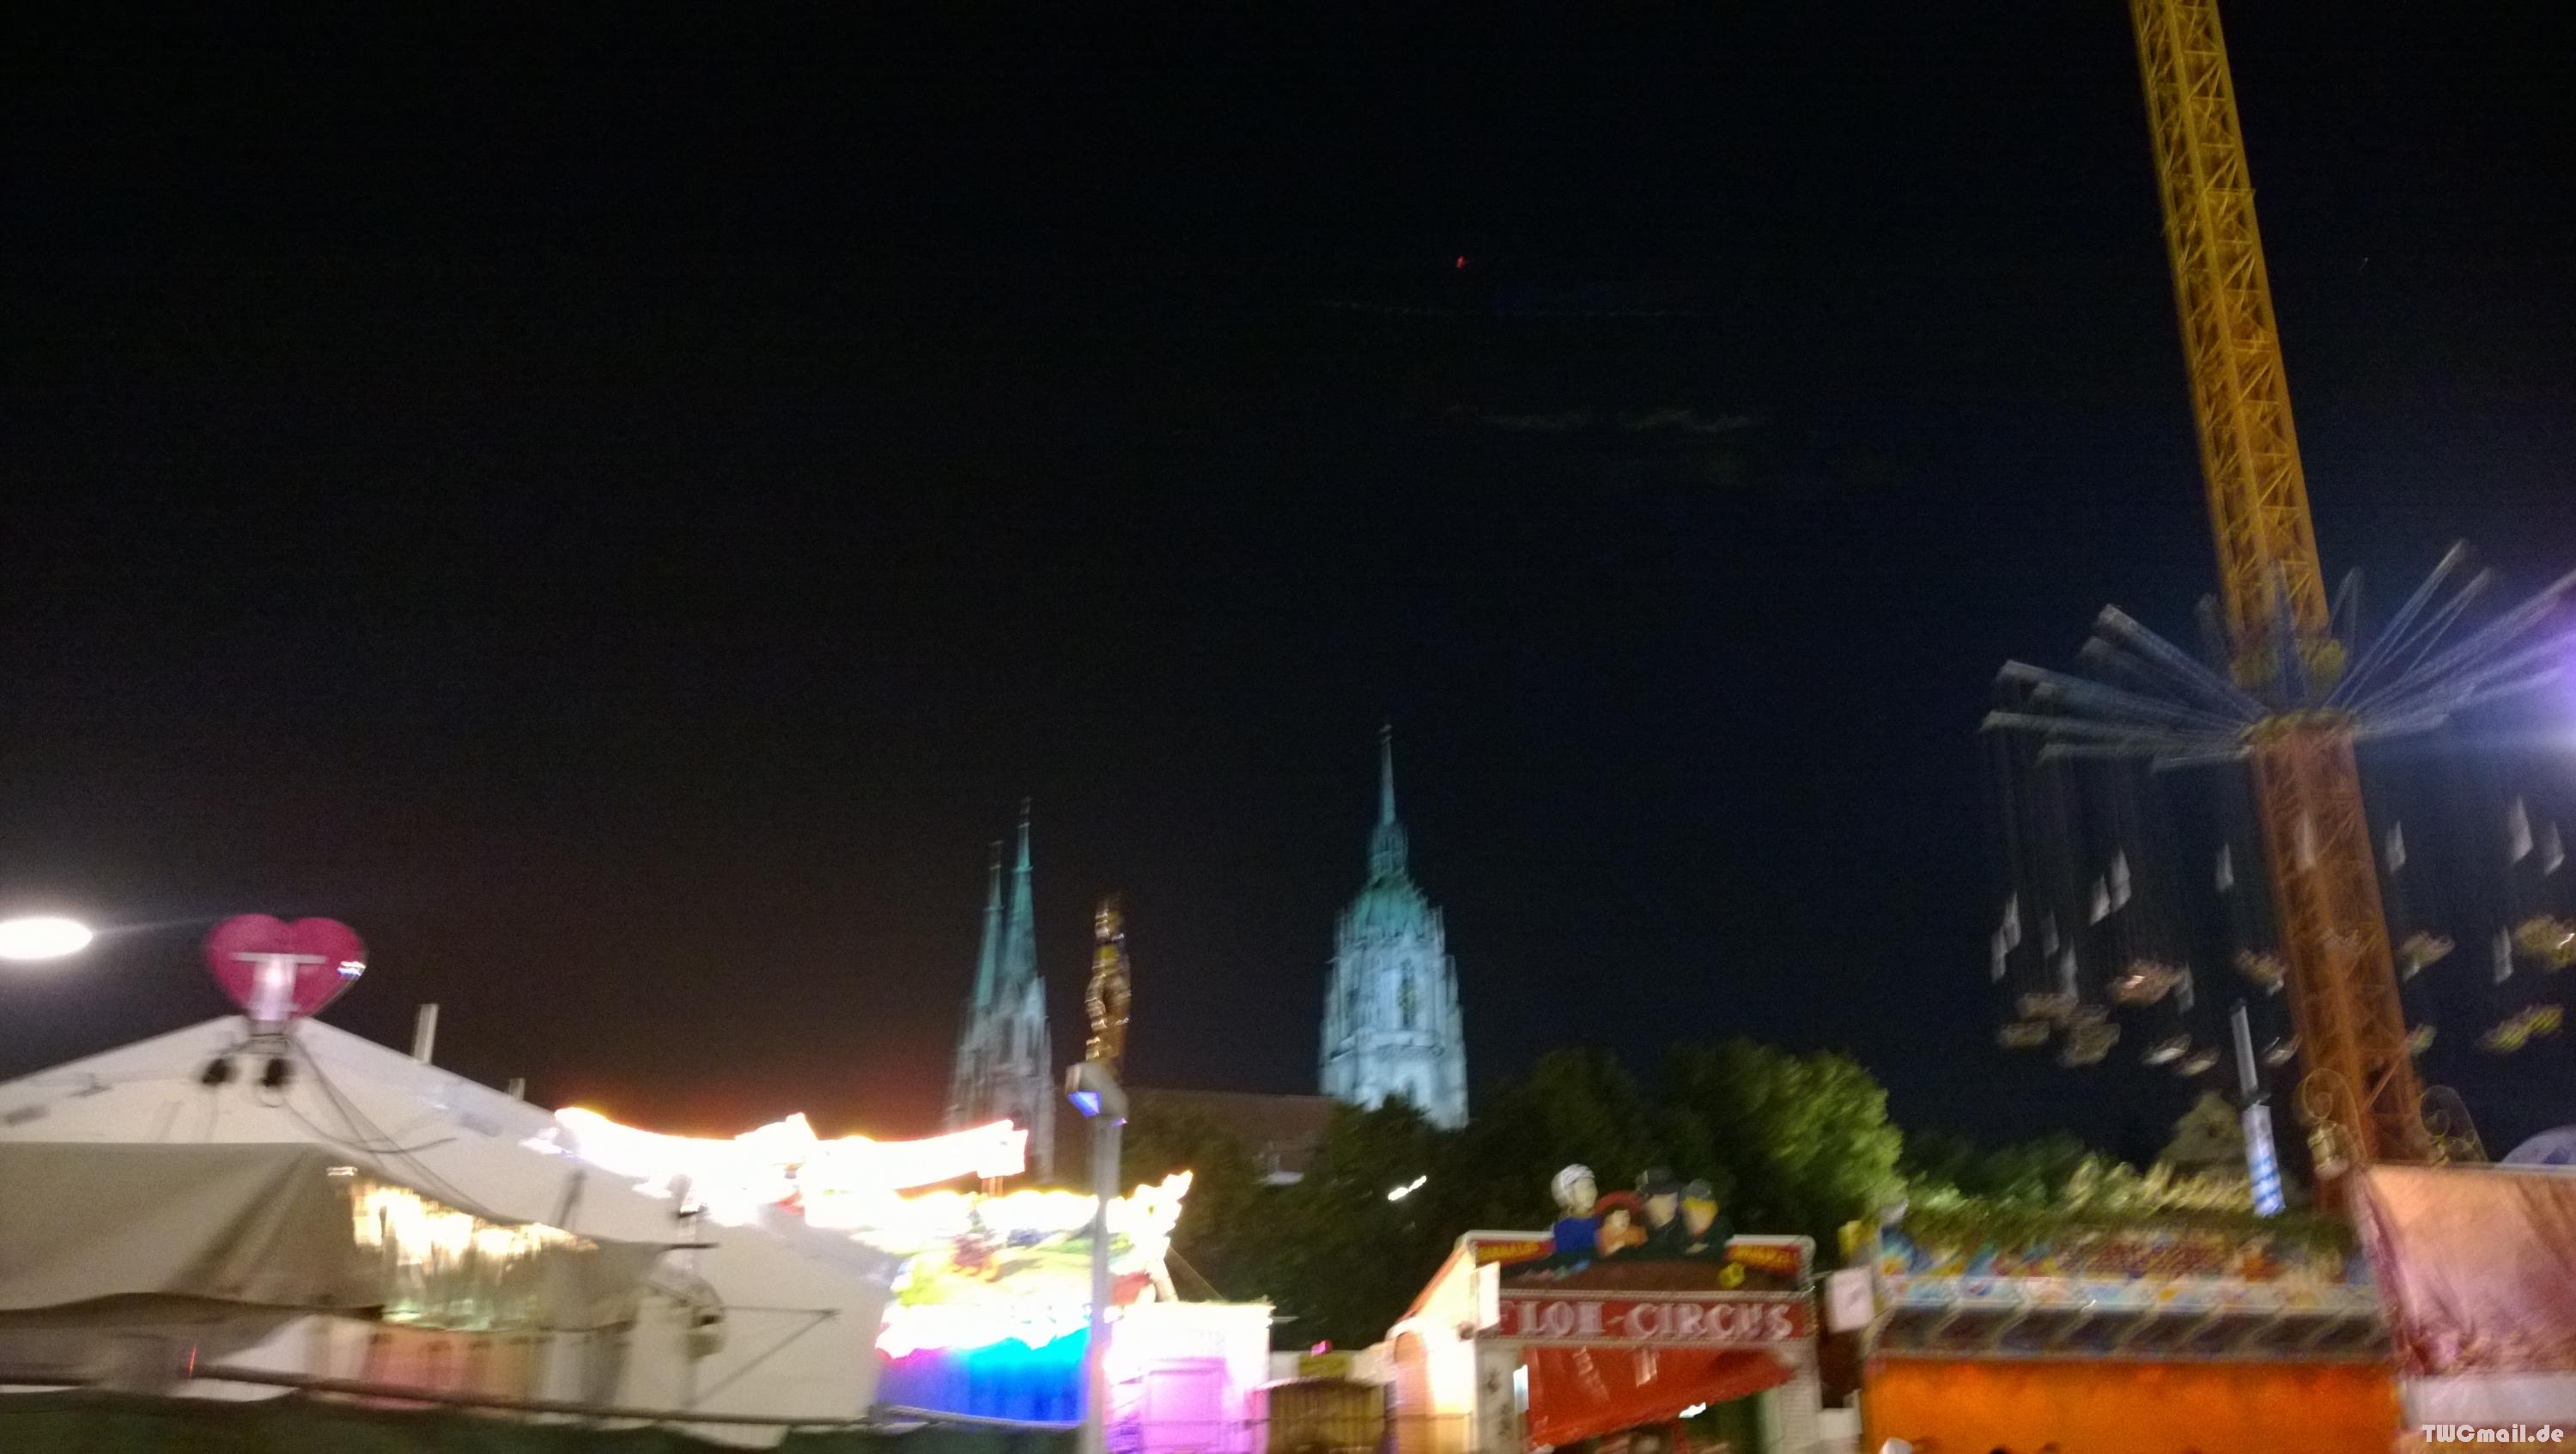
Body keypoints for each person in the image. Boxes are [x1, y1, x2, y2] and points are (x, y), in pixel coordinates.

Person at [1550, 1164, 1601, 1263]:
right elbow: (1568, 1260)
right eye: (1581, 1188)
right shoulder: (1563, 1229)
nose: (1589, 1192)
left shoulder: (1601, 1219)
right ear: (1567, 1195)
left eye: (1591, 1186)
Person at [1637, 1169, 1690, 1256]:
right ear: (1647, 1202)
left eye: (1674, 1198)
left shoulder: (1684, 1234)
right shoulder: (1635, 1229)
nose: (1673, 1205)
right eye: (1664, 1198)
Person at [1680, 1180, 1735, 1258]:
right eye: (1696, 1209)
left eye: (1707, 1209)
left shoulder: (1722, 1230)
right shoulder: (1677, 1235)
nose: (1701, 1215)